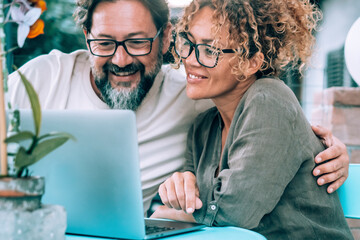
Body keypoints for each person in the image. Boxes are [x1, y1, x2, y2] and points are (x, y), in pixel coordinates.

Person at [7, 0, 349, 215]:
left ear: (165, 35)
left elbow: (232, 208)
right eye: (105, 42)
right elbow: (192, 190)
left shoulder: (228, 98)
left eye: (138, 41)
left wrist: (332, 148)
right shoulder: (202, 118)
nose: (121, 58)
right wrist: (179, 189)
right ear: (86, 36)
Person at [152, 0, 353, 239]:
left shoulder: (269, 99)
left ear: (250, 63)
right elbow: (193, 206)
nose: (191, 60)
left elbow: (234, 213)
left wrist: (167, 215)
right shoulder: (202, 127)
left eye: (210, 50)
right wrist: (180, 187)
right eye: (189, 43)